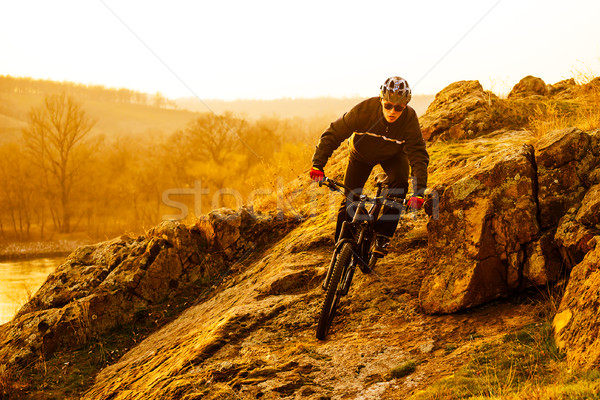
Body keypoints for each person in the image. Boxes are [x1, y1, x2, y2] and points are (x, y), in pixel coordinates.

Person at [309, 76, 429, 256]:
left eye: (398, 108)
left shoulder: (409, 119)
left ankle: (383, 235)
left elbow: (418, 156)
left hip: (393, 155)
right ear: (381, 100)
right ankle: (340, 249)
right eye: (388, 105)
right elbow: (333, 133)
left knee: (399, 185)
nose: (392, 111)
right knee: (350, 199)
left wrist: (419, 193)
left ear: (405, 106)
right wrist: (318, 165)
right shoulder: (364, 111)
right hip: (360, 155)